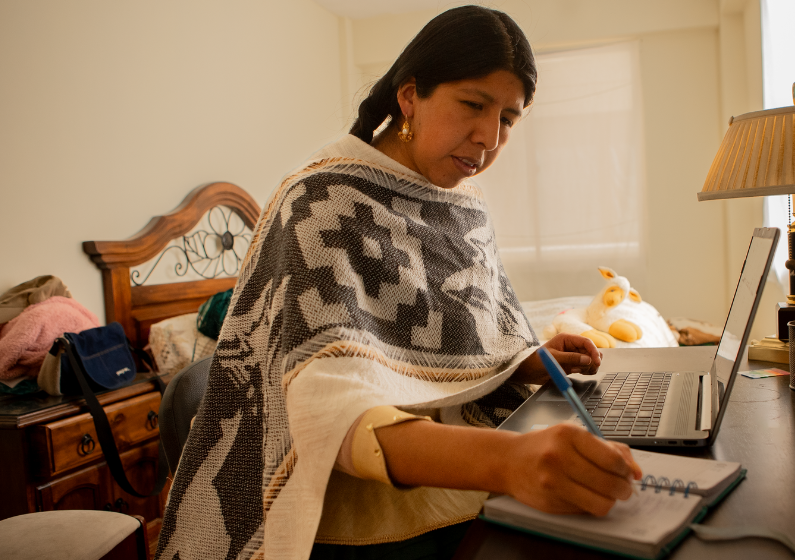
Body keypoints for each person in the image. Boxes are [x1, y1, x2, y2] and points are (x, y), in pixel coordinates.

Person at [156, 6, 641, 560]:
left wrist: (525, 360)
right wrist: (509, 461)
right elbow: (332, 416)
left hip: (448, 470)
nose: (488, 137)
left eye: (508, 118)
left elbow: (442, 349)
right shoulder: (322, 204)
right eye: (473, 104)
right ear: (409, 96)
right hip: (353, 504)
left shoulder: (463, 204)